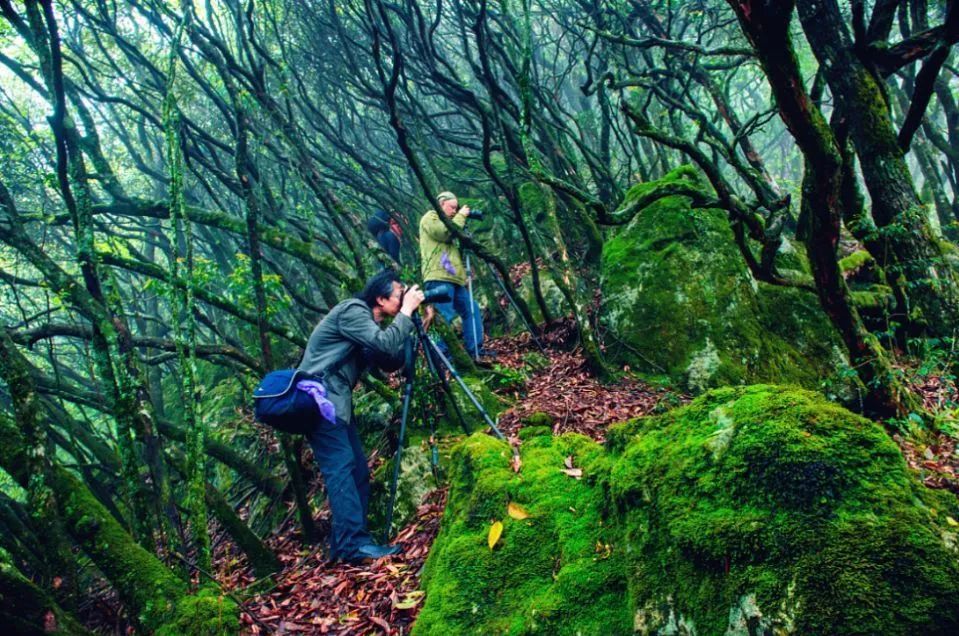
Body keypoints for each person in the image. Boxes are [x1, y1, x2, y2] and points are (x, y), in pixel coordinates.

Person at [297, 269, 424, 562]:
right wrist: (406, 313)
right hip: (322, 404)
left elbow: (387, 361)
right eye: (398, 294)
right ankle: (354, 546)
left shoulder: (366, 324)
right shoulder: (353, 311)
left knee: (357, 473)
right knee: (341, 470)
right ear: (380, 299)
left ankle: (347, 546)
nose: (403, 298)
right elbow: (383, 344)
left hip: (335, 405)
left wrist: (413, 326)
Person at [418, 191, 487, 358]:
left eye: (457, 209)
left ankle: (475, 351)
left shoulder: (451, 222)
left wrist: (463, 277)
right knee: (444, 317)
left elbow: (452, 253)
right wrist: (462, 216)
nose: (455, 211)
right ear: (441, 204)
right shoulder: (430, 217)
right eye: (452, 207)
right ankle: (443, 357)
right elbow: (444, 233)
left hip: (453, 278)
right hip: (438, 277)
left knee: (472, 309)